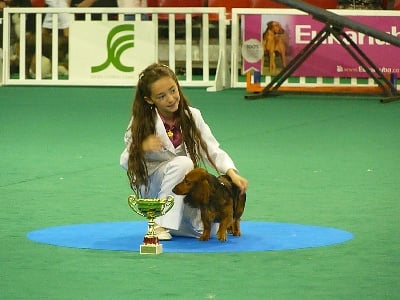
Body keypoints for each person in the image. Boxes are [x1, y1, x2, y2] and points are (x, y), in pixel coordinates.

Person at [120, 63, 248, 240]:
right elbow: (124, 161)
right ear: (149, 100)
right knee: (185, 162)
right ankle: (159, 223)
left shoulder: (192, 115)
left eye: (173, 90)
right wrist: (141, 148)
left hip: (178, 188)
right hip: (153, 185)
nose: (171, 99)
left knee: (209, 231)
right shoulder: (141, 121)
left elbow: (211, 149)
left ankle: (172, 224)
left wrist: (232, 174)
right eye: (162, 96)